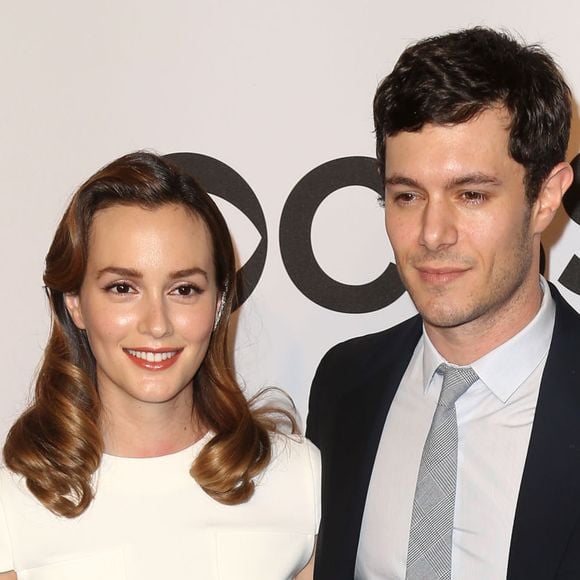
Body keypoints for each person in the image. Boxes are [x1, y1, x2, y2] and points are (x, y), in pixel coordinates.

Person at [307, 27, 579, 579]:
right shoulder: (345, 384)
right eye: (407, 196)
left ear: (546, 197)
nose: (432, 233)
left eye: (471, 195)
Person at [0, 151, 319, 580]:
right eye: (122, 288)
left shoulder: (295, 478)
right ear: (74, 302)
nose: (156, 325)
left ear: (219, 302)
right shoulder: (15, 504)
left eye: (184, 289)